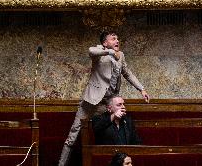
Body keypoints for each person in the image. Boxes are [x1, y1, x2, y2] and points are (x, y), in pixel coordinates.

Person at [58, 31, 149, 166]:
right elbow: (91, 51)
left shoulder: (121, 56)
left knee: (107, 134)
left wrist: (141, 89)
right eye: (113, 39)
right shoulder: (100, 52)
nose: (117, 40)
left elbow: (128, 74)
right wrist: (109, 52)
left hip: (107, 104)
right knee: (72, 137)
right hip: (90, 102)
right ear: (105, 43)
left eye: (118, 38)